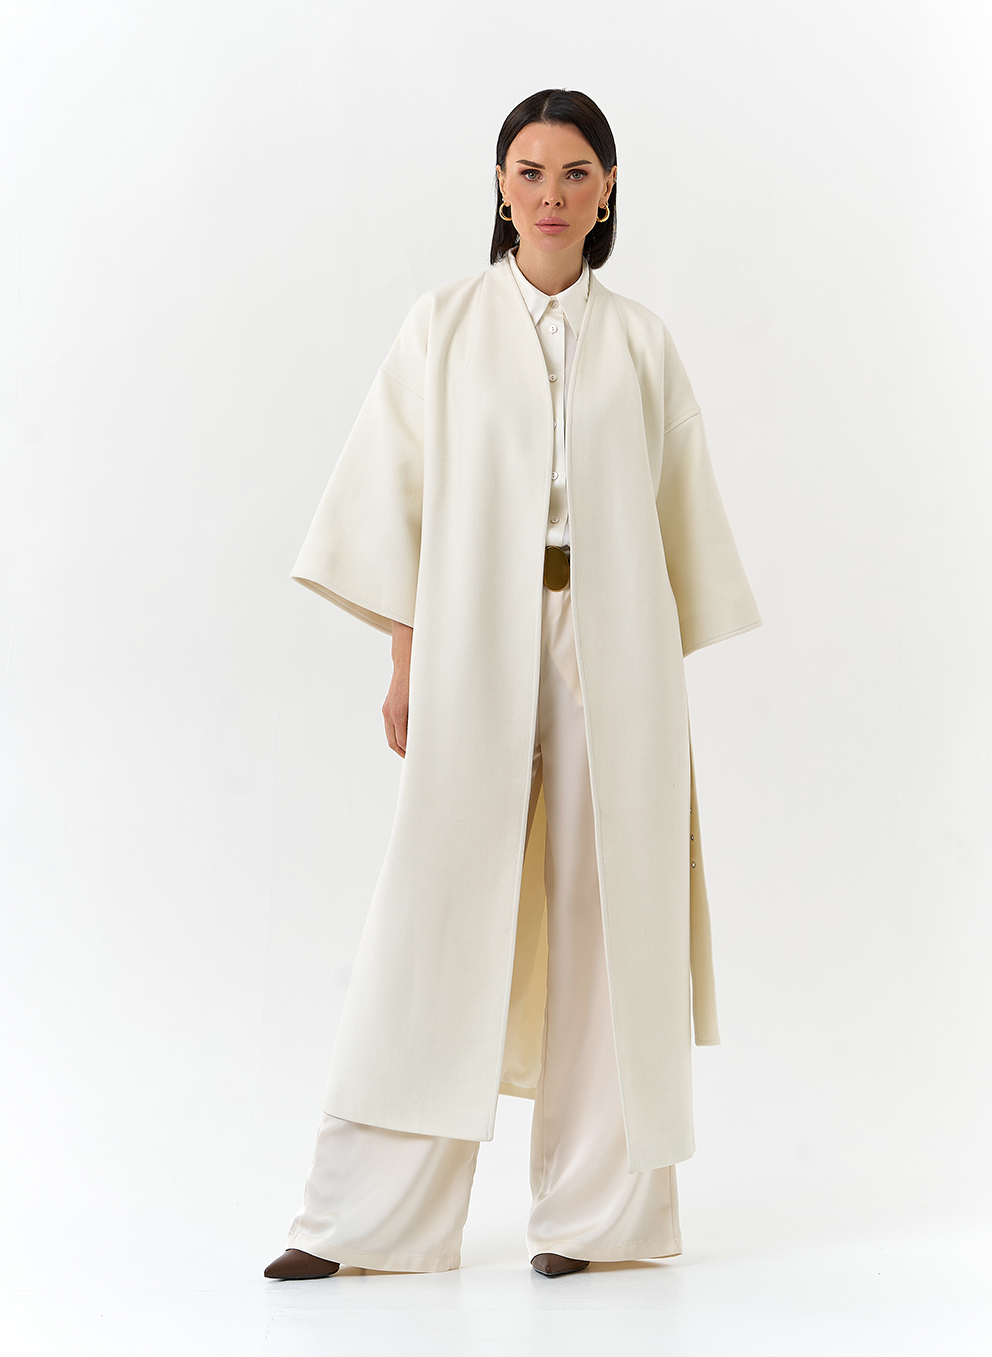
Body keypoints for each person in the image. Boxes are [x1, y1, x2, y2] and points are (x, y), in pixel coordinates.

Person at [265, 88, 761, 1281]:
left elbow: (677, 516)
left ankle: (597, 1218)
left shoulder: (638, 343)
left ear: (606, 192)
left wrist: (645, 670)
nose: (550, 194)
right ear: (498, 186)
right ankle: (363, 1220)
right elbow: (391, 499)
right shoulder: (440, 326)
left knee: (609, 907)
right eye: (529, 171)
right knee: (434, 902)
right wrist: (404, 658)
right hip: (468, 633)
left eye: (575, 173)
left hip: (614, 642)